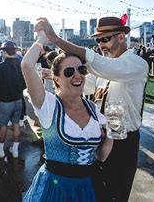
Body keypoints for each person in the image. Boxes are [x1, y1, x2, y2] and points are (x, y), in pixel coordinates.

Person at [36, 15, 149, 201]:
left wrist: (56, 40)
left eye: (105, 39)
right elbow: (86, 84)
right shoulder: (105, 69)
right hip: (99, 137)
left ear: (121, 37)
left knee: (115, 195)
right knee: (95, 192)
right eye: (98, 40)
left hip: (122, 141)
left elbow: (100, 64)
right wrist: (60, 76)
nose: (101, 44)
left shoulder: (136, 64)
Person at [21, 30, 113, 201]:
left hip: (87, 188)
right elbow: (27, 65)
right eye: (69, 72)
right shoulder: (49, 105)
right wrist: (42, 40)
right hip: (55, 190)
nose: (77, 75)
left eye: (81, 70)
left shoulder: (92, 108)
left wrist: (113, 133)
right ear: (56, 79)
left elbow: (101, 156)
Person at [0, 41, 26, 159]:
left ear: (5, 52)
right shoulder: (20, 65)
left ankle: (0, 150)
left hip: (5, 101)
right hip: (18, 99)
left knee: (3, 125)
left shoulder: (1, 67)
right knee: (16, 124)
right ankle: (15, 150)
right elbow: (25, 84)